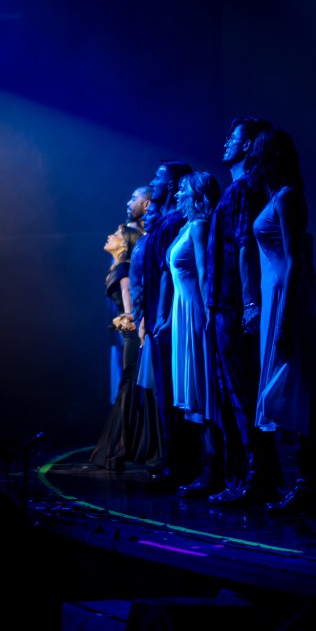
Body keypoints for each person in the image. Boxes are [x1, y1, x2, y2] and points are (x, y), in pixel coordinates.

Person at [204, 116, 283, 505]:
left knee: (242, 394)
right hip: (228, 303)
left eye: (233, 137)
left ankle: (256, 479)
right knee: (235, 393)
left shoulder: (242, 190)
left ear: (249, 145)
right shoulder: (240, 190)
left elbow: (245, 248)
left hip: (234, 305)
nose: (226, 142)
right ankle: (245, 477)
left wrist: (250, 303)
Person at [247, 129, 316, 517]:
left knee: (300, 391)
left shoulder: (289, 196)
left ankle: (308, 486)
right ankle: (304, 485)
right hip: (277, 297)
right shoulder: (277, 196)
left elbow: (294, 257)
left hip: (287, 299)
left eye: (257, 156)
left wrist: (284, 321)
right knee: (289, 392)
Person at [161, 172, 224, 497]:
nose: (178, 196)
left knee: (205, 392)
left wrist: (207, 321)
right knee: (194, 392)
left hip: (196, 313)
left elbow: (204, 275)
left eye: (184, 191)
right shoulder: (186, 226)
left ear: (197, 195)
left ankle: (214, 469)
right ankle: (207, 466)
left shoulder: (200, 227)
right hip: (183, 314)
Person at [133, 160, 194, 487]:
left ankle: (179, 461)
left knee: (172, 392)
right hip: (158, 315)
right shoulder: (165, 222)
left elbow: (165, 274)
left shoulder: (173, 223)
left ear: (171, 185)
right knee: (164, 393)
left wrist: (161, 316)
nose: (153, 182)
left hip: (166, 317)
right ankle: (171, 457)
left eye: (158, 177)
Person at [91, 223, 142, 469]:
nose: (110, 235)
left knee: (129, 383)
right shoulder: (118, 267)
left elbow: (129, 297)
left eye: (116, 234)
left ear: (124, 244)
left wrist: (126, 316)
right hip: (126, 332)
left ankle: (125, 446)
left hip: (132, 333)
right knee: (128, 383)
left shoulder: (123, 267)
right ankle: (125, 445)